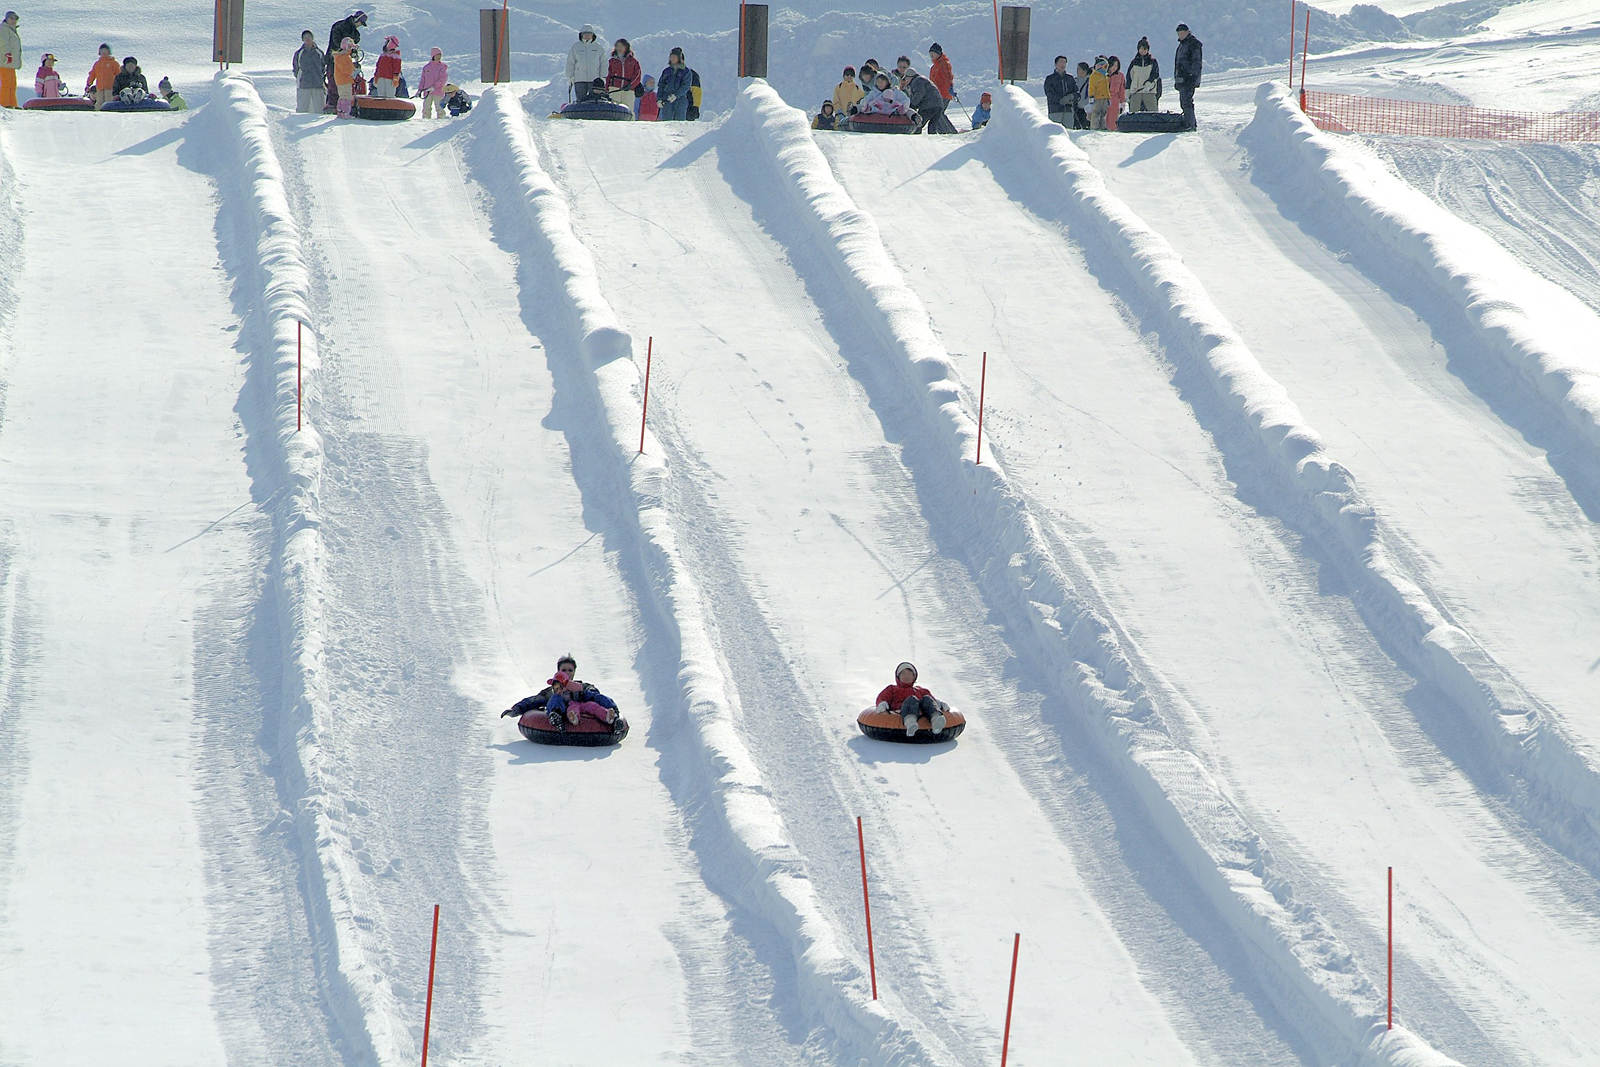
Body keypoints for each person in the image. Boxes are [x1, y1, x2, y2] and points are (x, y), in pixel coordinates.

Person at [875, 662, 950, 737]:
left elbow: (931, 701)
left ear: (914, 677)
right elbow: (882, 697)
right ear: (898, 677)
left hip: (921, 713)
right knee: (912, 699)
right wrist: (882, 704)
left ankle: (936, 720)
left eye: (910, 674)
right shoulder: (892, 689)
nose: (907, 676)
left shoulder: (921, 690)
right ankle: (910, 723)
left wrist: (939, 704)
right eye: (903, 674)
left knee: (926, 698)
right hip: (900, 712)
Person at [324, 10, 366, 110]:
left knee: (339, 84)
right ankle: (335, 107)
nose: (360, 26)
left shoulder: (354, 33)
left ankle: (338, 107)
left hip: (340, 59)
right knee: (335, 83)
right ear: (357, 20)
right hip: (335, 59)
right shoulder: (340, 27)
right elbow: (337, 43)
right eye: (360, 23)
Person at [900, 68, 952, 133]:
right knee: (932, 127)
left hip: (928, 106)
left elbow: (919, 94)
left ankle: (917, 140)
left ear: (910, 77)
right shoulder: (922, 79)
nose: (906, 80)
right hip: (939, 105)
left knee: (918, 124)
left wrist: (912, 105)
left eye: (906, 78)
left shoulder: (917, 81)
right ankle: (932, 139)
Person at [566, 24, 605, 101]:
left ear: (593, 35)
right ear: (581, 35)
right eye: (584, 33)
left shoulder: (598, 47)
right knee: (581, 100)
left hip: (594, 80)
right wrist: (570, 76)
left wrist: (602, 77)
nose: (587, 35)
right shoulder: (576, 47)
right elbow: (570, 63)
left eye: (589, 33)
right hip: (579, 79)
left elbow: (603, 63)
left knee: (594, 100)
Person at [1174, 23, 1202, 129]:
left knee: (1187, 102)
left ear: (1187, 32)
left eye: (1182, 33)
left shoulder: (1193, 44)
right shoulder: (1182, 45)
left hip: (1189, 79)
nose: (1180, 35)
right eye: (1178, 33)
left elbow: (1196, 62)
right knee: (1184, 102)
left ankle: (1190, 125)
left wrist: (1192, 77)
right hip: (1182, 80)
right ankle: (1188, 123)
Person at [292, 30, 325, 114]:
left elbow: (323, 67)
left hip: (318, 85)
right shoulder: (299, 53)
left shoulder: (319, 53)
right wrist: (300, 78)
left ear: (312, 38)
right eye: (305, 37)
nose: (307, 39)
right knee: (302, 110)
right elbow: (296, 68)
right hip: (304, 85)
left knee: (319, 110)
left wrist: (320, 77)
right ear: (302, 40)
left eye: (309, 37)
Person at [1126, 37, 1161, 113]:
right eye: (1141, 48)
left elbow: (1155, 74)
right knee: (1133, 114)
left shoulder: (1152, 62)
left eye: (1144, 49)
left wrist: (1149, 83)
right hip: (1135, 91)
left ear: (1148, 50)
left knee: (1153, 113)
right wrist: (1127, 90)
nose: (1142, 51)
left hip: (1149, 91)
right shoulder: (1134, 62)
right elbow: (1129, 77)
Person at [605, 37, 641, 108]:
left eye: (622, 46)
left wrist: (631, 85)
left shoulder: (633, 62)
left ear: (626, 47)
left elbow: (637, 75)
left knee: (629, 109)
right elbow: (608, 75)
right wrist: (607, 88)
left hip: (628, 89)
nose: (619, 48)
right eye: (618, 46)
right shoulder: (612, 61)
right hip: (614, 88)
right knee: (614, 109)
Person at [657, 46, 691, 120]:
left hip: (680, 100)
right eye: (671, 57)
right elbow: (661, 86)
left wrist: (676, 95)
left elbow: (685, 86)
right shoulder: (666, 71)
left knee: (679, 121)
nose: (672, 59)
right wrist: (659, 99)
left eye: (674, 57)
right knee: (666, 122)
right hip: (667, 100)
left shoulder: (686, 71)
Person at [1043, 54, 1075, 127]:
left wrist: (1071, 97)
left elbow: (1077, 92)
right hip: (1055, 111)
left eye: (1064, 62)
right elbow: (1049, 93)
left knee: (1069, 132)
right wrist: (1061, 100)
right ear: (1055, 64)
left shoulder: (1070, 78)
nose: (1063, 64)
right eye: (1061, 62)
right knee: (1055, 132)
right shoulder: (1050, 79)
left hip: (1068, 111)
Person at [85, 43, 118, 107]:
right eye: (102, 51)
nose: (104, 52)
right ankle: (98, 112)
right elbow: (92, 74)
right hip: (100, 87)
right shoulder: (97, 64)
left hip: (110, 87)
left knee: (108, 100)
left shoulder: (113, 63)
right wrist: (89, 83)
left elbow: (118, 74)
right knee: (99, 101)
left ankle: (109, 112)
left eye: (105, 51)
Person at [418, 46, 448, 117]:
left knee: (440, 108)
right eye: (437, 55)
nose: (439, 57)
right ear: (433, 55)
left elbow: (443, 78)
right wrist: (420, 90)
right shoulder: (426, 67)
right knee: (426, 109)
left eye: (440, 55)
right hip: (427, 92)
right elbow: (423, 80)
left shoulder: (442, 67)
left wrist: (434, 87)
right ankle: (425, 121)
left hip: (438, 91)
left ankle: (441, 121)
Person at [332, 37, 356, 117]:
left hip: (341, 80)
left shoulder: (342, 57)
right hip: (345, 80)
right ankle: (345, 112)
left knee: (342, 96)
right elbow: (345, 69)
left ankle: (340, 111)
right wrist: (353, 72)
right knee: (346, 96)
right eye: (349, 47)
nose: (350, 49)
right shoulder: (343, 57)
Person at [0, 11, 19, 109]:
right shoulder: (4, 29)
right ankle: (4, 103)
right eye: (11, 18)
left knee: (12, 84)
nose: (13, 21)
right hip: (5, 61)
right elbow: (3, 43)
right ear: (6, 19)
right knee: (6, 83)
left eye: (15, 19)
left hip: (11, 63)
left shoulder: (12, 30)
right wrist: (7, 54)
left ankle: (12, 104)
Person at [1087, 55, 1110, 129]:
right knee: (1096, 112)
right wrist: (1091, 96)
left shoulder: (1105, 76)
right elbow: (1092, 87)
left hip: (1105, 97)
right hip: (1098, 97)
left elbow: (1107, 88)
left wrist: (1108, 97)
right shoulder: (1094, 76)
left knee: (1103, 113)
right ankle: (1095, 126)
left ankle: (1102, 126)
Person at [1106, 55, 1126, 131]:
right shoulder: (1104, 75)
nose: (1114, 67)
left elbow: (1122, 89)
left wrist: (1122, 102)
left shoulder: (1120, 76)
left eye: (1116, 66)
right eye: (1113, 65)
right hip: (1105, 98)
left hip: (1115, 100)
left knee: (1113, 118)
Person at [1073, 61, 1091, 128]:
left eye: (1079, 69)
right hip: (1076, 107)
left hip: (1086, 108)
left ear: (1084, 70)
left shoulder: (1090, 81)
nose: (1077, 71)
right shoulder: (1074, 80)